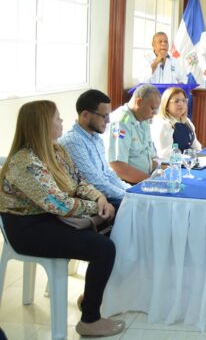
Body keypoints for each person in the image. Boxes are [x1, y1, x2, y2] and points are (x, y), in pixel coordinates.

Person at [0, 101, 123, 338]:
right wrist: (97, 207)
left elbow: (78, 182)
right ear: (42, 125)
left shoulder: (56, 150)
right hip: (27, 228)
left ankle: (93, 297)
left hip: (50, 217)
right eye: (57, 118)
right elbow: (59, 204)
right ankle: (90, 319)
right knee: (103, 248)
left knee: (115, 220)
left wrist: (100, 198)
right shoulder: (25, 163)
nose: (62, 121)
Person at [58, 89, 130, 208]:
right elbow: (94, 183)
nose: (108, 121)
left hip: (107, 194)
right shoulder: (73, 142)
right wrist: (129, 196)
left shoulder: (96, 137)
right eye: (104, 116)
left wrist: (131, 191)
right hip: (93, 199)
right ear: (86, 115)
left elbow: (107, 174)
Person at [106, 84, 160, 184]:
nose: (155, 113)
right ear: (138, 102)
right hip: (128, 184)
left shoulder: (143, 119)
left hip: (146, 179)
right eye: (152, 108)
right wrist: (151, 182)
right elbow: (118, 166)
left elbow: (152, 155)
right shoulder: (121, 122)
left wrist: (159, 173)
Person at [151, 87, 202, 160]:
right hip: (171, 165)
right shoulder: (163, 124)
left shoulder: (187, 121)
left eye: (183, 100)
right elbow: (165, 155)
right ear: (166, 105)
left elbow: (196, 146)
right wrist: (188, 158)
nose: (181, 104)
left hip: (188, 162)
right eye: (176, 101)